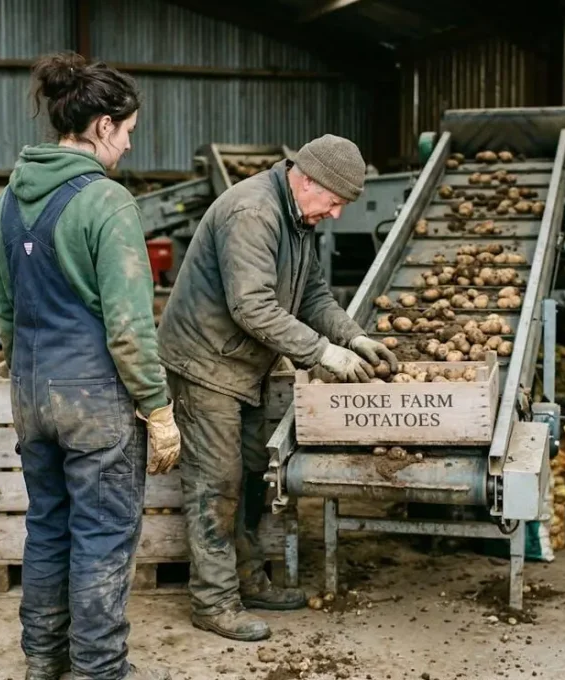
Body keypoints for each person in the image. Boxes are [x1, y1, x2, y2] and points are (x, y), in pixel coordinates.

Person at [157, 134, 398, 641]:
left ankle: (247, 579)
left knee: (248, 477)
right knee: (216, 481)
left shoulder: (297, 217)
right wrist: (323, 353)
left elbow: (310, 293)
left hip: (245, 366)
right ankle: (214, 602)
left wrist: (353, 335)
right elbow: (252, 306)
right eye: (333, 202)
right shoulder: (254, 213)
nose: (334, 214)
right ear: (306, 179)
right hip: (205, 364)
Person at [0, 51, 180, 680]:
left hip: (31, 393)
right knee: (102, 534)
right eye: (126, 131)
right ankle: (100, 669)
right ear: (101, 125)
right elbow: (129, 329)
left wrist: (29, 381)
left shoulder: (7, 202)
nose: (127, 144)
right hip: (94, 402)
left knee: (48, 527)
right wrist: (156, 408)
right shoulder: (107, 203)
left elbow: (6, 312)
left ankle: (42, 661)